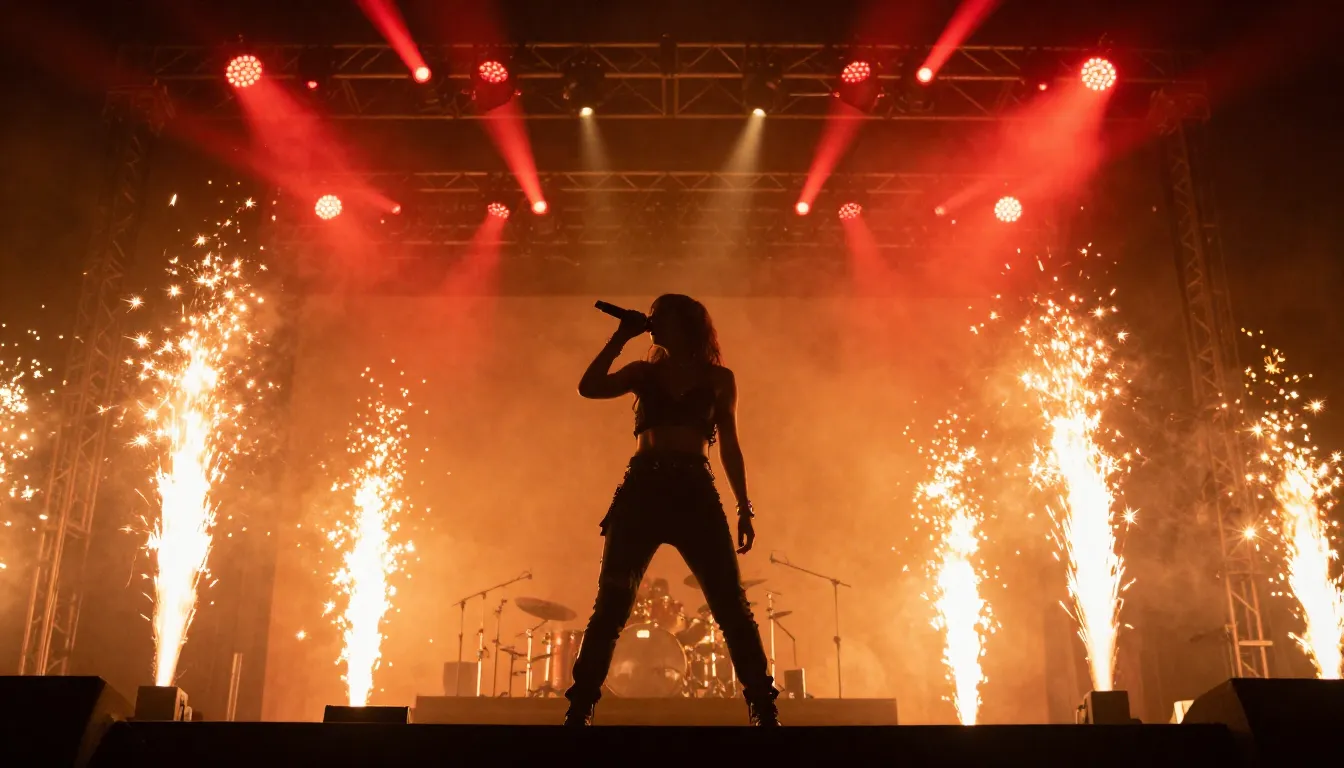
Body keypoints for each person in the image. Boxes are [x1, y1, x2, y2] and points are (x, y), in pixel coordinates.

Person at [563, 294, 780, 726]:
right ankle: (580, 706)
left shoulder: (719, 379)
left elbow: (730, 446)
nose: (651, 322)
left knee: (731, 605)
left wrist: (744, 507)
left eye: (658, 316)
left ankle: (762, 703)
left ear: (684, 324)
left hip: (694, 491)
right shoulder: (644, 373)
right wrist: (620, 337)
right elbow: (589, 387)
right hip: (643, 488)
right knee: (611, 604)